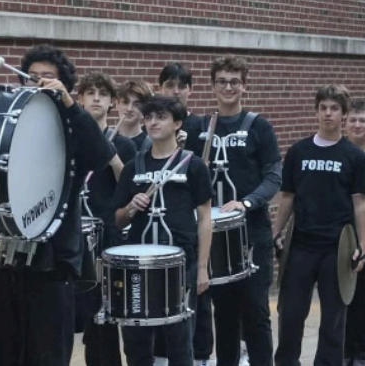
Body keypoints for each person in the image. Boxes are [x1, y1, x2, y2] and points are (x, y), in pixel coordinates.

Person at [0, 44, 117, 366]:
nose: (38, 83)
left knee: (47, 357)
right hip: (2, 264)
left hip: (52, 266)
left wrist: (69, 105)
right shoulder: (8, 129)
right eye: (33, 77)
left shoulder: (74, 130)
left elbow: (101, 155)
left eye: (48, 78)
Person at [182, 56, 280, 366]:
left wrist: (246, 202)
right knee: (223, 316)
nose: (228, 86)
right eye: (222, 81)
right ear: (212, 86)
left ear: (244, 86)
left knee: (256, 313)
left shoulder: (259, 126)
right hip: (213, 237)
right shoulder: (197, 127)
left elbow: (274, 177)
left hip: (252, 233)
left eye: (234, 81)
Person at [112, 95, 212, 366]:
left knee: (180, 343)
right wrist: (131, 207)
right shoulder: (134, 167)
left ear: (178, 123)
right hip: (139, 267)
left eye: (161, 117)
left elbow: (205, 218)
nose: (153, 122)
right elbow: (118, 219)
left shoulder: (192, 165)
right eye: (149, 117)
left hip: (181, 264)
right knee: (136, 344)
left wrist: (202, 268)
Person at [272, 85, 365, 366]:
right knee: (290, 315)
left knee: (333, 322)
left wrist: (362, 245)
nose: (328, 113)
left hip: (337, 247)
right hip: (301, 244)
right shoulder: (299, 151)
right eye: (323, 107)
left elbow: (360, 203)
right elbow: (287, 196)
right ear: (316, 111)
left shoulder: (354, 156)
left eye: (334, 109)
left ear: (344, 114)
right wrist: (275, 231)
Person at [75, 72, 135, 366]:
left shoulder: (123, 144)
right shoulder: (71, 141)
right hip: (75, 236)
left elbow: (130, 185)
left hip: (108, 236)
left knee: (107, 315)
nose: (96, 97)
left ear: (113, 102)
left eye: (102, 93)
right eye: (90, 93)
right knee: (85, 317)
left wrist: (111, 156)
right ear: (80, 100)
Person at [346, 99, 365, 366]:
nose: (358, 125)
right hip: (344, 237)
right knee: (345, 298)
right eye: (354, 120)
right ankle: (346, 350)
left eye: (363, 121)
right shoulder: (341, 155)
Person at [115, 80, 154, 152]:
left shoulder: (150, 146)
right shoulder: (105, 139)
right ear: (117, 104)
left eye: (136, 104)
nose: (129, 109)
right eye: (125, 102)